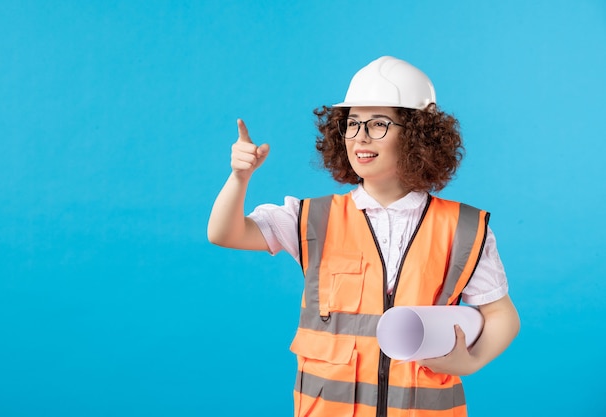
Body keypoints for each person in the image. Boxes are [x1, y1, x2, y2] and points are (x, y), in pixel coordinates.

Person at [207, 56, 520, 417]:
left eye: (378, 124)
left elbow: (502, 315)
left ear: (418, 133)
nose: (360, 137)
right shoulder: (311, 218)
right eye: (352, 124)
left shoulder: (464, 227)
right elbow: (223, 233)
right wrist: (239, 178)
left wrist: (471, 361)